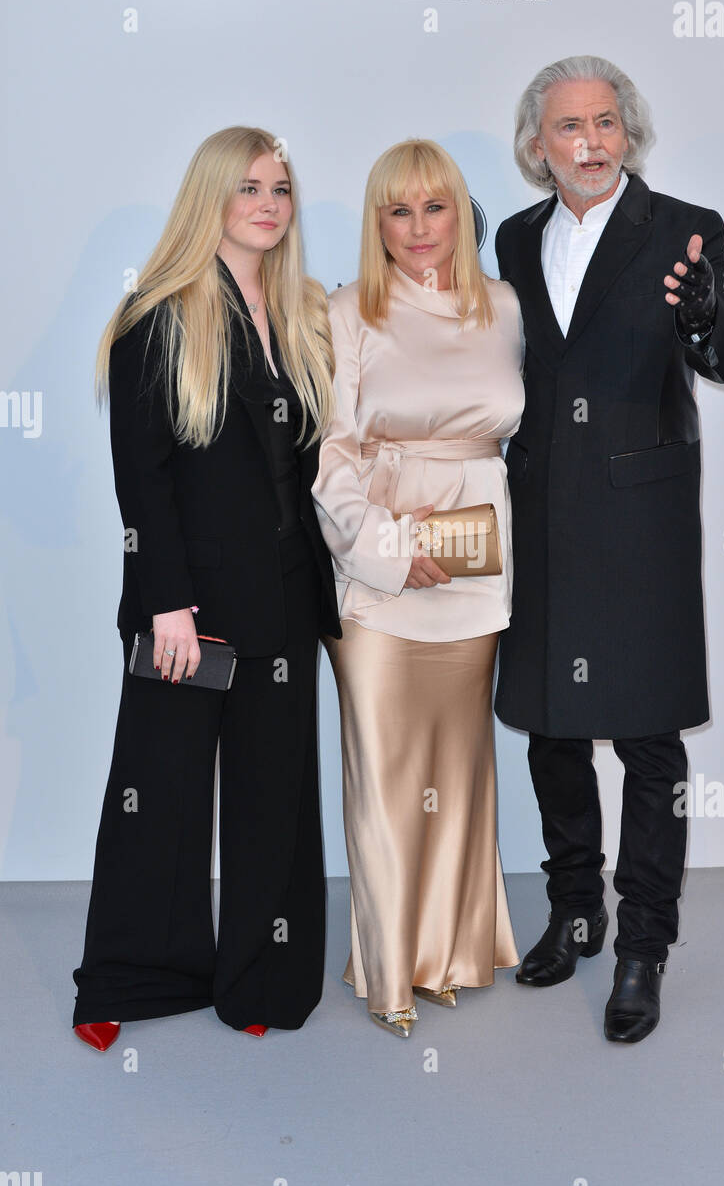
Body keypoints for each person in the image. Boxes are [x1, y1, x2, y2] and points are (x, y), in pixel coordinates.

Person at [494, 55, 724, 1043]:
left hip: (637, 523)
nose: (591, 141)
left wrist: (705, 316)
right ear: (537, 145)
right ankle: (575, 909)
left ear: (628, 132)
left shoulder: (686, 229)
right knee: (552, 728)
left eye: (606, 122)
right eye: (569, 127)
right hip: (541, 515)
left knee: (647, 740)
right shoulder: (514, 239)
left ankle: (644, 943)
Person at [72, 126, 340, 1049]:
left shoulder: (305, 312)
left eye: (281, 187)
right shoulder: (159, 313)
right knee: (160, 792)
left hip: (286, 597)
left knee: (275, 796)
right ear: (210, 199)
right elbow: (141, 478)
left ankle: (259, 982)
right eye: (248, 187)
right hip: (185, 606)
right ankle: (130, 979)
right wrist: (167, 603)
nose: (268, 203)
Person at [311, 139, 524, 1037]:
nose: (418, 229)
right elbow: (330, 454)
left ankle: (450, 954)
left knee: (458, 771)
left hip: (476, 570)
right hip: (380, 575)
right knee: (386, 777)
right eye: (397, 212)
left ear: (458, 214)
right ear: (377, 225)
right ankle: (392, 968)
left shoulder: (506, 307)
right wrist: (388, 550)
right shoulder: (347, 310)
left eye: (434, 208)